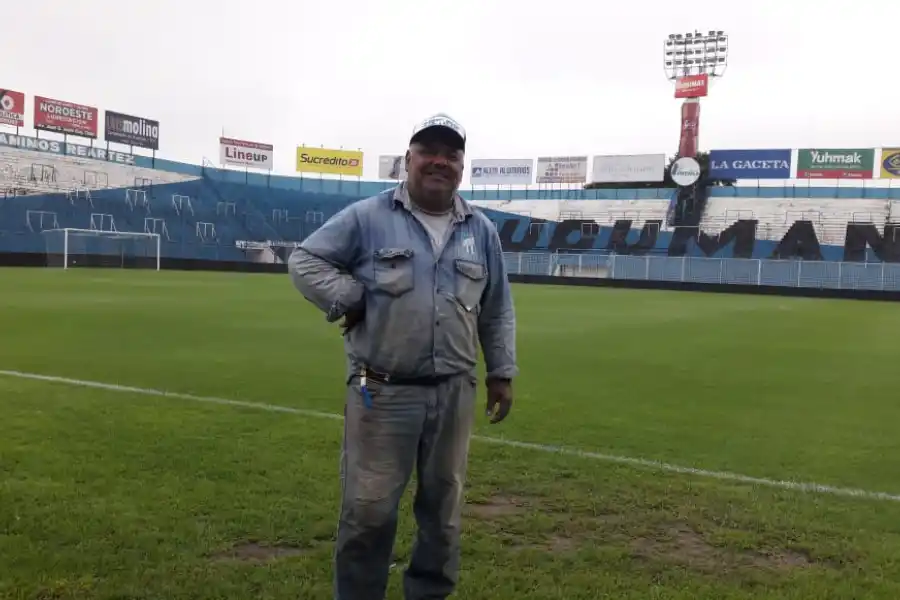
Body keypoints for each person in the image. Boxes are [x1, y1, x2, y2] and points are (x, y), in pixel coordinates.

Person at [288, 113, 518, 600]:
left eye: (451, 154)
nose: (440, 161)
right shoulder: (368, 217)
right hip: (382, 391)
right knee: (368, 511)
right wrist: (350, 296)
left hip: (454, 392)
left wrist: (501, 371)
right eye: (429, 151)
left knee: (444, 514)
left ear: (461, 166)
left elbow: (497, 308)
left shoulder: (482, 230)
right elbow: (304, 260)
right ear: (408, 160)